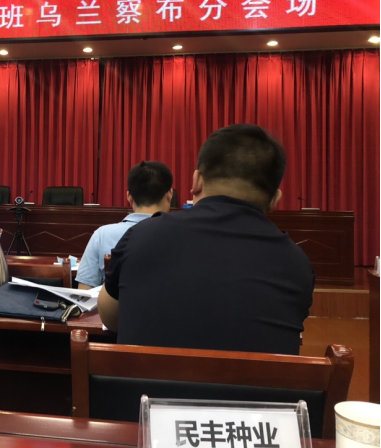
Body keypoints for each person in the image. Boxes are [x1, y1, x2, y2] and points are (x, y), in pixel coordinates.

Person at [98, 124, 314, 355]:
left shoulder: (140, 235)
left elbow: (110, 317)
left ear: (196, 181)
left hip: (146, 380)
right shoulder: (297, 264)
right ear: (275, 199)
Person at [75, 161, 173, 290]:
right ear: (170, 194)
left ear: (129, 196)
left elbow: (84, 292)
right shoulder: (182, 235)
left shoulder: (102, 235)